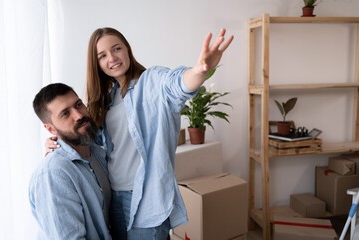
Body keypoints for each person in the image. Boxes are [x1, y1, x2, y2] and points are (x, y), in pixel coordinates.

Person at [46, 27, 233, 240]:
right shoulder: (109, 98)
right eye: (103, 56)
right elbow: (90, 143)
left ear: (127, 49)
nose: (112, 58)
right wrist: (57, 142)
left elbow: (176, 85)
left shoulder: (151, 81)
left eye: (117, 49)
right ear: (96, 64)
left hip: (145, 199)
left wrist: (200, 70)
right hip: (113, 195)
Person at [30, 83, 112, 240]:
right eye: (65, 114)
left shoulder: (97, 151)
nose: (79, 115)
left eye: (78, 105)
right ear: (51, 130)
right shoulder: (54, 173)